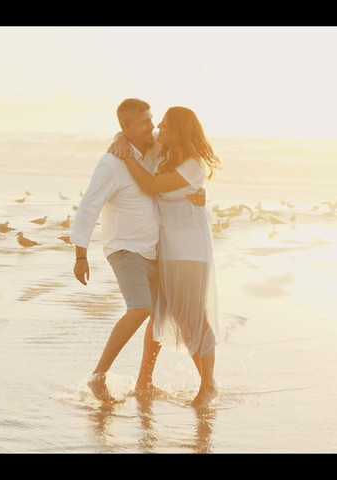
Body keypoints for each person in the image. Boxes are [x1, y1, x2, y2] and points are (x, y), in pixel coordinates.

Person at [71, 98, 204, 403]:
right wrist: (80, 255)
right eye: (145, 122)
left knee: (159, 314)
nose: (153, 127)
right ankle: (98, 376)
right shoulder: (111, 164)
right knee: (141, 308)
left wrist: (197, 191)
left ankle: (145, 383)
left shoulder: (151, 150)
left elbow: (184, 159)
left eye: (152, 120)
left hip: (153, 250)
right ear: (127, 126)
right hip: (124, 248)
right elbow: (88, 207)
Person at [110, 106, 221, 408]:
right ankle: (144, 381)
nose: (158, 127)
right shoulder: (164, 148)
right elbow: (133, 132)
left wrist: (129, 156)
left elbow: (152, 185)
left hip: (189, 248)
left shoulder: (194, 165)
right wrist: (121, 138)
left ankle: (208, 385)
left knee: (192, 317)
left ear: (180, 131)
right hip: (164, 246)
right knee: (158, 313)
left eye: (165, 124)